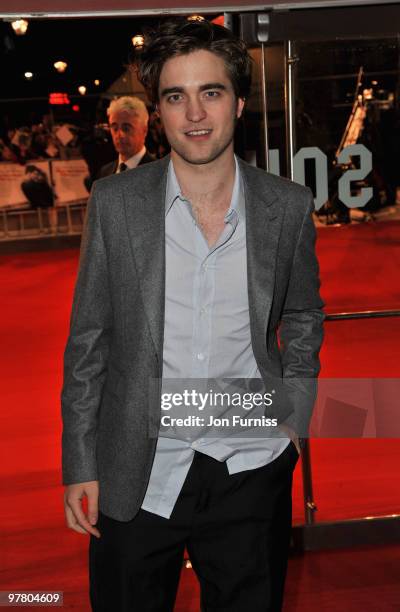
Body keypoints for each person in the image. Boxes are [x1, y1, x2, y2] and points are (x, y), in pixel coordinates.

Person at [62, 17, 324, 612]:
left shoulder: (285, 207)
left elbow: (305, 314)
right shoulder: (116, 204)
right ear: (159, 111)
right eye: (176, 97)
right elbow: (89, 342)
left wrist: (295, 415)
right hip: (138, 469)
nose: (196, 114)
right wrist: (80, 461)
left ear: (238, 102)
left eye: (212, 92)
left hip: (251, 464)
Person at [97, 95, 154, 178]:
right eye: (115, 128)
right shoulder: (104, 173)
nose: (119, 135)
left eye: (126, 128)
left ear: (144, 130)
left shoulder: (160, 173)